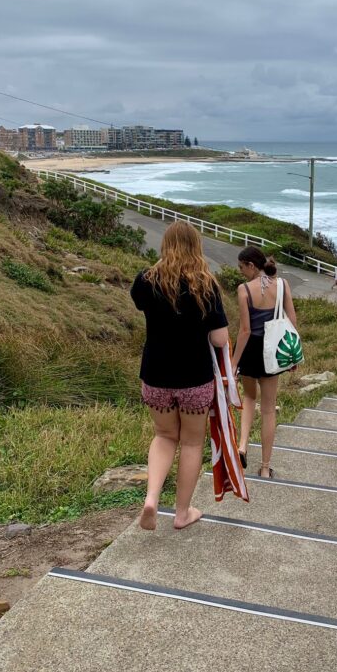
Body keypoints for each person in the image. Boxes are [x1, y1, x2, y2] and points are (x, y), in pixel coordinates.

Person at [131, 221, 229, 531]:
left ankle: (151, 499)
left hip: (156, 375)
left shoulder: (146, 281)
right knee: (190, 444)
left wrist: (162, 265)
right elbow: (220, 340)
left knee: (163, 436)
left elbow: (138, 302)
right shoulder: (206, 284)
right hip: (194, 378)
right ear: (196, 247)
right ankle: (182, 512)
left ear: (165, 246)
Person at [232, 246, 298, 478]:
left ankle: (242, 446)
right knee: (269, 410)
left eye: (241, 267)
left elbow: (245, 331)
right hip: (273, 350)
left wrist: (233, 362)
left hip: (250, 351)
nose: (240, 272)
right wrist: (291, 353)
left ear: (251, 265)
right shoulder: (282, 285)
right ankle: (266, 467)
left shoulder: (243, 290)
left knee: (249, 398)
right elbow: (291, 319)